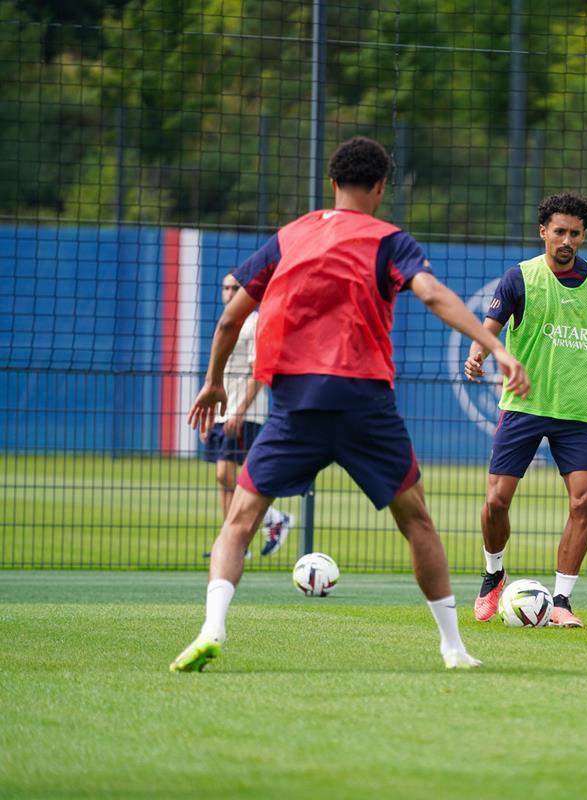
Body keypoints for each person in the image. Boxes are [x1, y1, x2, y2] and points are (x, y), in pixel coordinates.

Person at [170, 135, 529, 673]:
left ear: (333, 183)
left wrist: (213, 381)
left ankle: (211, 627)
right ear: (381, 187)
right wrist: (496, 348)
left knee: (239, 521)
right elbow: (432, 294)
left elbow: (228, 320)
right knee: (418, 523)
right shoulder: (390, 241)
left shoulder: (290, 236)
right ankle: (453, 648)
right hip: (364, 404)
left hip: (296, 405)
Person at [464, 192, 587, 628]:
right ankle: (493, 573)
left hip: (579, 412)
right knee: (496, 501)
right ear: (544, 232)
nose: (567, 240)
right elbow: (489, 329)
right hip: (524, 405)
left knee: (584, 501)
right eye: (559, 231)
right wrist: (477, 354)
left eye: (575, 233)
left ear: (583, 235)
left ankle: (561, 601)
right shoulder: (520, 279)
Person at [202, 273, 292, 558]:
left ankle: (272, 518)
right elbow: (216, 375)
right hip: (221, 411)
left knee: (226, 473)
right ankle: (233, 545)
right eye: (226, 288)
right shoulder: (225, 324)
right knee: (223, 480)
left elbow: (258, 373)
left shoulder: (253, 323)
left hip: (244, 412)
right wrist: (209, 413)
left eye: (235, 288)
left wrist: (239, 411)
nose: (230, 293)